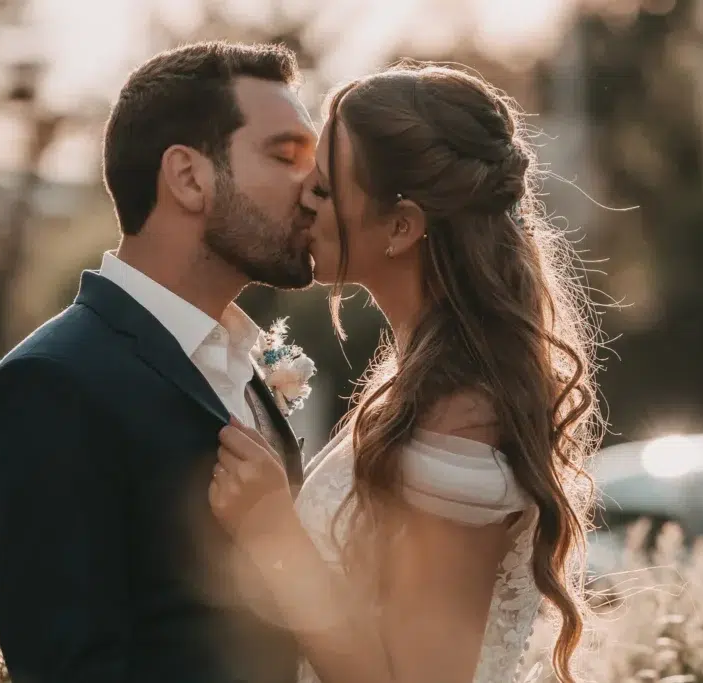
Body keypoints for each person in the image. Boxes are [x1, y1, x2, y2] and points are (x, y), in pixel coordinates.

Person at [209, 63, 602, 683]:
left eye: (327, 186)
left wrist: (272, 530)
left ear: (401, 226)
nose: (304, 198)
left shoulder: (462, 417)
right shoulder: (424, 375)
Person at [0, 41, 318, 683]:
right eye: (284, 153)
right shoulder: (49, 385)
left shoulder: (245, 363)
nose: (315, 185)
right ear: (188, 176)